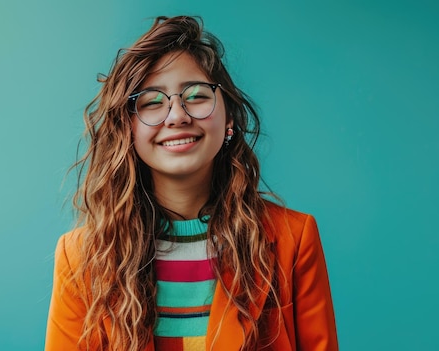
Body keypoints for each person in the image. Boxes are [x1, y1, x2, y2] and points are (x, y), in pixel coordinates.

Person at [45, 16, 338, 351]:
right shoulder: (81, 257)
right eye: (152, 102)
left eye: (197, 95)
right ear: (128, 130)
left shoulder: (294, 239)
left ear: (228, 117)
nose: (177, 115)